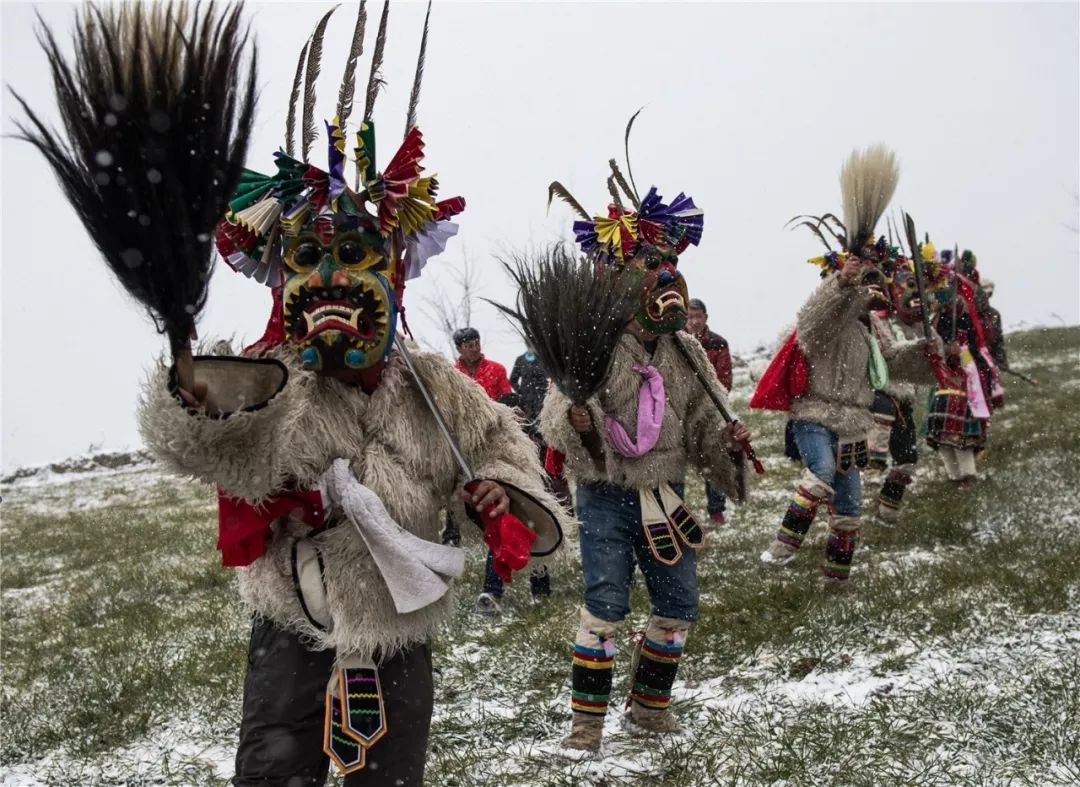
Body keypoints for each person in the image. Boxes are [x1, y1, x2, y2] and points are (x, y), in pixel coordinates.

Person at [138, 10, 567, 785]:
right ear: (283, 273)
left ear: (395, 269)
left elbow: (503, 446)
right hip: (293, 630)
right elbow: (218, 451)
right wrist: (198, 399)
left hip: (398, 635)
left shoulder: (437, 386)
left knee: (391, 775)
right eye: (309, 257)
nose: (333, 279)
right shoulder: (275, 382)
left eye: (358, 255)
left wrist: (498, 497)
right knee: (273, 773)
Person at [541, 133, 752, 754]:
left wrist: (728, 442)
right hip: (606, 494)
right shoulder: (596, 347)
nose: (666, 281)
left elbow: (703, 426)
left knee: (679, 604)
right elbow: (557, 412)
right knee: (605, 603)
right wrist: (575, 424)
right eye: (650, 269)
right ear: (621, 279)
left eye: (671, 269)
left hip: (667, 496)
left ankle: (650, 708)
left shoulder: (688, 353)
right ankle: (587, 723)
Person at [758, 145, 939, 582]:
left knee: (850, 505)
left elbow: (892, 364)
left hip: (853, 424)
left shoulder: (869, 331)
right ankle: (784, 546)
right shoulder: (825, 321)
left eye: (876, 284)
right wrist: (843, 283)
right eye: (869, 284)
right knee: (819, 472)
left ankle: (835, 577)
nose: (875, 291)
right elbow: (812, 323)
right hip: (814, 415)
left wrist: (930, 354)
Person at [449, 327, 554, 613]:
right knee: (494, 518)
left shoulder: (495, 369)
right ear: (459, 348)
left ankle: (539, 585)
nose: (473, 347)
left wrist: (513, 416)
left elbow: (510, 399)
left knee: (528, 508)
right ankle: (491, 590)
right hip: (470, 455)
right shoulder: (452, 376)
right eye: (467, 344)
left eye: (476, 341)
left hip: (504, 447)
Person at [867, 245, 946, 525]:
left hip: (906, 404)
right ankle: (867, 475)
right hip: (877, 399)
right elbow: (887, 357)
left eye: (921, 287)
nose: (917, 296)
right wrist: (916, 349)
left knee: (908, 458)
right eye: (909, 286)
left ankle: (887, 511)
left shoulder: (925, 327)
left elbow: (937, 359)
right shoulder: (878, 323)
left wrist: (938, 348)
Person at [926, 250, 1003, 485]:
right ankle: (954, 480)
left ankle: (968, 478)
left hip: (965, 372)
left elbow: (981, 339)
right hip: (944, 377)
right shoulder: (937, 314)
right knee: (942, 437)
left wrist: (959, 348)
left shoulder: (967, 309)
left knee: (958, 436)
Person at [686, 298, 734, 523]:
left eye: (697, 316)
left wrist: (706, 403)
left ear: (705, 318)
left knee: (713, 457)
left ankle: (716, 509)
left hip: (709, 409)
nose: (693, 321)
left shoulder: (718, 343)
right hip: (680, 409)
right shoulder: (675, 342)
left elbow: (723, 379)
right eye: (689, 316)